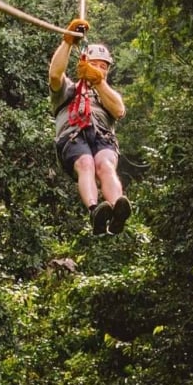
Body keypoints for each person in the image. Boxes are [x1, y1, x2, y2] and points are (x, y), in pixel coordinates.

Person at [50, 18, 130, 235]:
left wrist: (98, 81)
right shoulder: (68, 90)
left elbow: (119, 110)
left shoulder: (106, 94)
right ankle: (95, 210)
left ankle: (117, 209)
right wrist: (68, 42)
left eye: (103, 67)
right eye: (94, 64)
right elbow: (55, 75)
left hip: (102, 138)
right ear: (85, 63)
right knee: (86, 163)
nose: (99, 69)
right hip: (73, 138)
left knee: (104, 164)